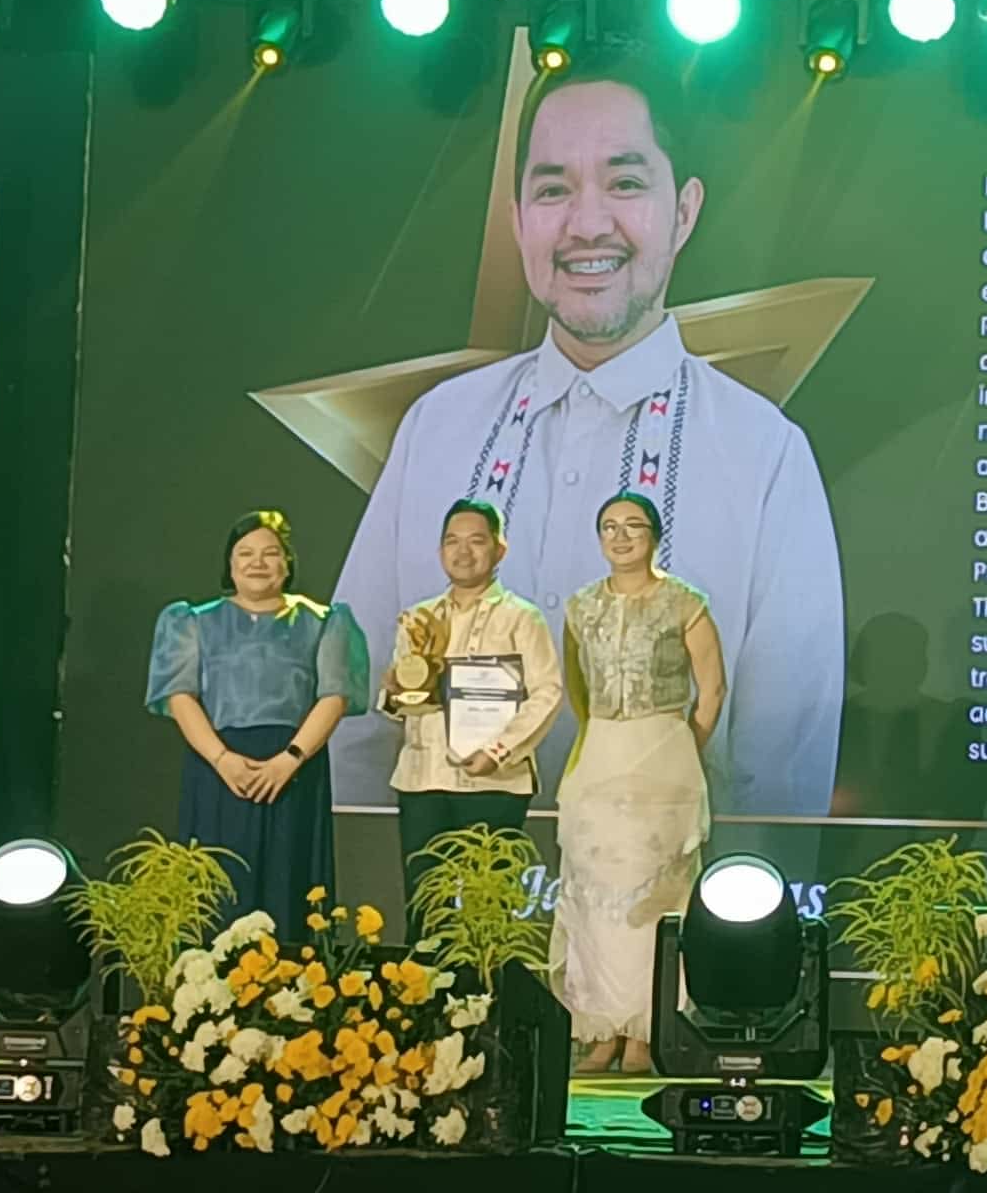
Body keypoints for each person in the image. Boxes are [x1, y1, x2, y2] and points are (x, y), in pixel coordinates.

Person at [330, 56, 841, 821]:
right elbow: (358, 711)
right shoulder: (438, 428)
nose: (587, 224)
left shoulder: (761, 453)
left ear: (685, 211)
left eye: (626, 183)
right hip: (439, 914)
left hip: (665, 913)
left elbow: (783, 760)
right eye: (553, 189)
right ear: (518, 221)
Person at [550, 492, 726, 1076]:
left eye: (633, 526)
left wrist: (679, 751)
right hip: (599, 753)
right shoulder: (579, 607)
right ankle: (600, 1028)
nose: (620, 537)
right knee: (595, 896)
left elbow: (712, 689)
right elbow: (576, 687)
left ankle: (648, 1031)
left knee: (654, 899)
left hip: (663, 756)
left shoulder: (684, 603)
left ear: (655, 534)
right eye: (609, 527)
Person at [146, 510, 370, 924]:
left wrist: (290, 758)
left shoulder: (324, 621)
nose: (257, 562)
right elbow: (181, 696)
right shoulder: (192, 621)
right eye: (245, 553)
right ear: (229, 564)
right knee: (218, 888)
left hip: (293, 768)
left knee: (291, 885)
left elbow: (334, 696)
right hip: (218, 768)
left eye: (270, 553)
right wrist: (222, 759)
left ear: (288, 563)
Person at [384, 499, 563, 921]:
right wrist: (394, 693)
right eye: (452, 541)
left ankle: (484, 990)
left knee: (487, 907)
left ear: (500, 549)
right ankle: (425, 987)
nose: (463, 552)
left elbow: (548, 691)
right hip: (423, 779)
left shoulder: (521, 617)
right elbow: (408, 700)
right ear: (440, 550)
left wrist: (498, 751)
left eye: (476, 541)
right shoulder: (418, 618)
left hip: (495, 782)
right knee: (425, 905)